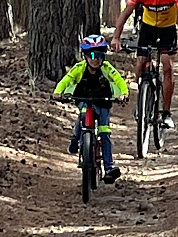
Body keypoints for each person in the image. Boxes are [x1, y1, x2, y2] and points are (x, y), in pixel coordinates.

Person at [111, 0, 178, 129]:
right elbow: (126, 13)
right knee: (140, 63)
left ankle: (167, 113)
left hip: (167, 29)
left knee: (167, 65)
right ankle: (143, 98)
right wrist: (116, 37)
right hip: (148, 28)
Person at [53, 34, 129, 182]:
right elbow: (66, 79)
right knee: (82, 117)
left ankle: (109, 167)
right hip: (84, 100)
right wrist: (58, 92)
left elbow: (118, 80)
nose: (95, 59)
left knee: (105, 132)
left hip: (102, 102)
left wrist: (124, 93)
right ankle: (75, 139)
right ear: (85, 56)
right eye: (92, 55)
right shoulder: (79, 68)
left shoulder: (107, 69)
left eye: (100, 55)